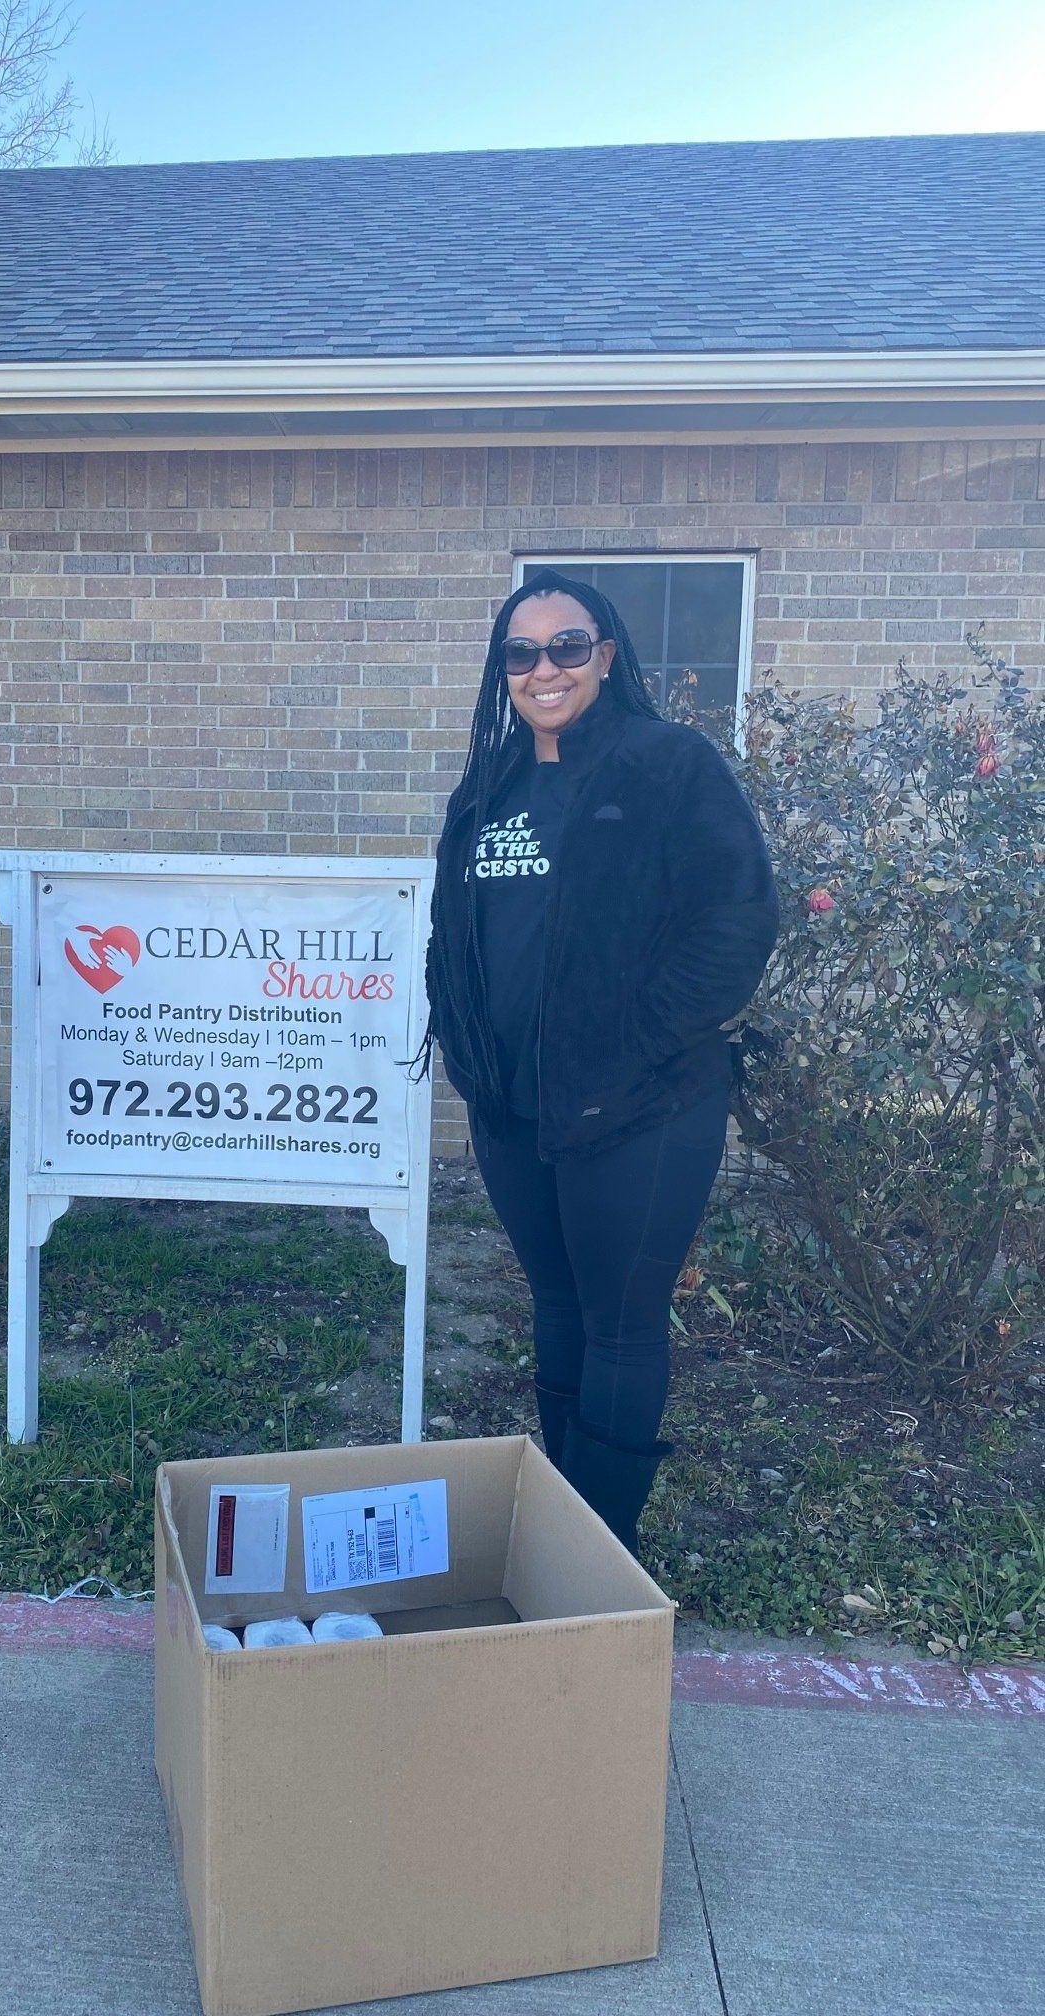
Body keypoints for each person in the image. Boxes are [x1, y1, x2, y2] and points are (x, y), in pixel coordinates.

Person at [425, 569, 778, 1556]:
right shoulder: (489, 783)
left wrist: (627, 1048)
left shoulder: (666, 766)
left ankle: (599, 1553)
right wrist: (465, 1045)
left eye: (567, 647)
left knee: (621, 1322)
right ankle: (563, 1526)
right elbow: (457, 928)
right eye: (521, 653)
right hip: (514, 1111)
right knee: (557, 1303)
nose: (545, 669)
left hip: (642, 1106)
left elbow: (738, 923)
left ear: (607, 654)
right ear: (504, 670)